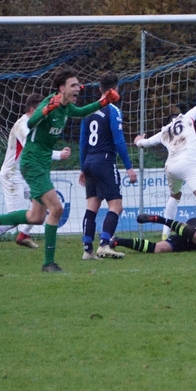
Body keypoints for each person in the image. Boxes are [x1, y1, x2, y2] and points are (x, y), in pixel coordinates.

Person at [0, 67, 121, 273]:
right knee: (57, 209)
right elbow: (31, 122)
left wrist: (103, 101)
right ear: (61, 88)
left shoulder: (66, 108)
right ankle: (48, 264)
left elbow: (82, 112)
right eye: (73, 85)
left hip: (42, 164)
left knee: (36, 216)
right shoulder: (50, 102)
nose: (78, 89)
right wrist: (46, 109)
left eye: (78, 85)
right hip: (32, 163)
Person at [134, 79, 196, 247]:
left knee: (174, 196)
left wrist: (138, 140)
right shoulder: (185, 118)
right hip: (187, 161)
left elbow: (144, 143)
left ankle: (165, 234)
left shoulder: (164, 132)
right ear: (177, 118)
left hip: (170, 166)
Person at [0, 94, 72, 252]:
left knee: (42, 202)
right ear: (32, 109)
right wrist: (58, 154)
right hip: (12, 175)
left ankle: (23, 235)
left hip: (26, 173)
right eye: (40, 109)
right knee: (15, 218)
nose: (44, 112)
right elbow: (33, 148)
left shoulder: (36, 124)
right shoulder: (22, 125)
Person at [78, 72, 137, 260]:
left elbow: (82, 143)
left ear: (99, 89)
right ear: (115, 89)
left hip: (89, 161)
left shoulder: (88, 111)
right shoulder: (113, 110)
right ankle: (104, 244)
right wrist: (128, 167)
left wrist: (82, 168)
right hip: (104, 161)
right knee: (116, 205)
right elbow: (119, 141)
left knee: (92, 206)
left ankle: (87, 249)